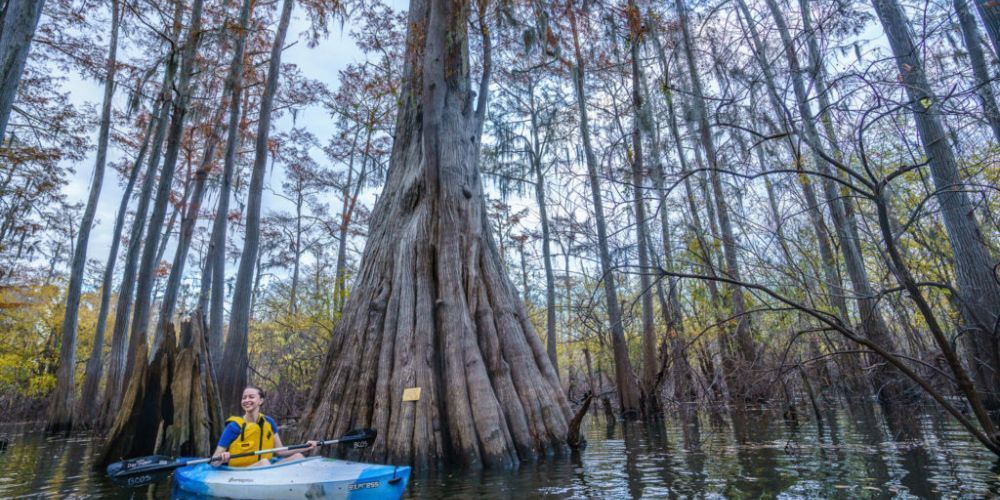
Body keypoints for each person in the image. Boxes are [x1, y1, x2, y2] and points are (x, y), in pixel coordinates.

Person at [211, 386, 318, 467]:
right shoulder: (234, 426)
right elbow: (214, 462)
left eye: (251, 397)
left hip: (265, 469)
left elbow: (281, 451)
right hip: (242, 471)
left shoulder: (269, 422)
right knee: (264, 462)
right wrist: (222, 459)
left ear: (260, 401)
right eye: (244, 398)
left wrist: (306, 447)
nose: (247, 400)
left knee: (298, 456)